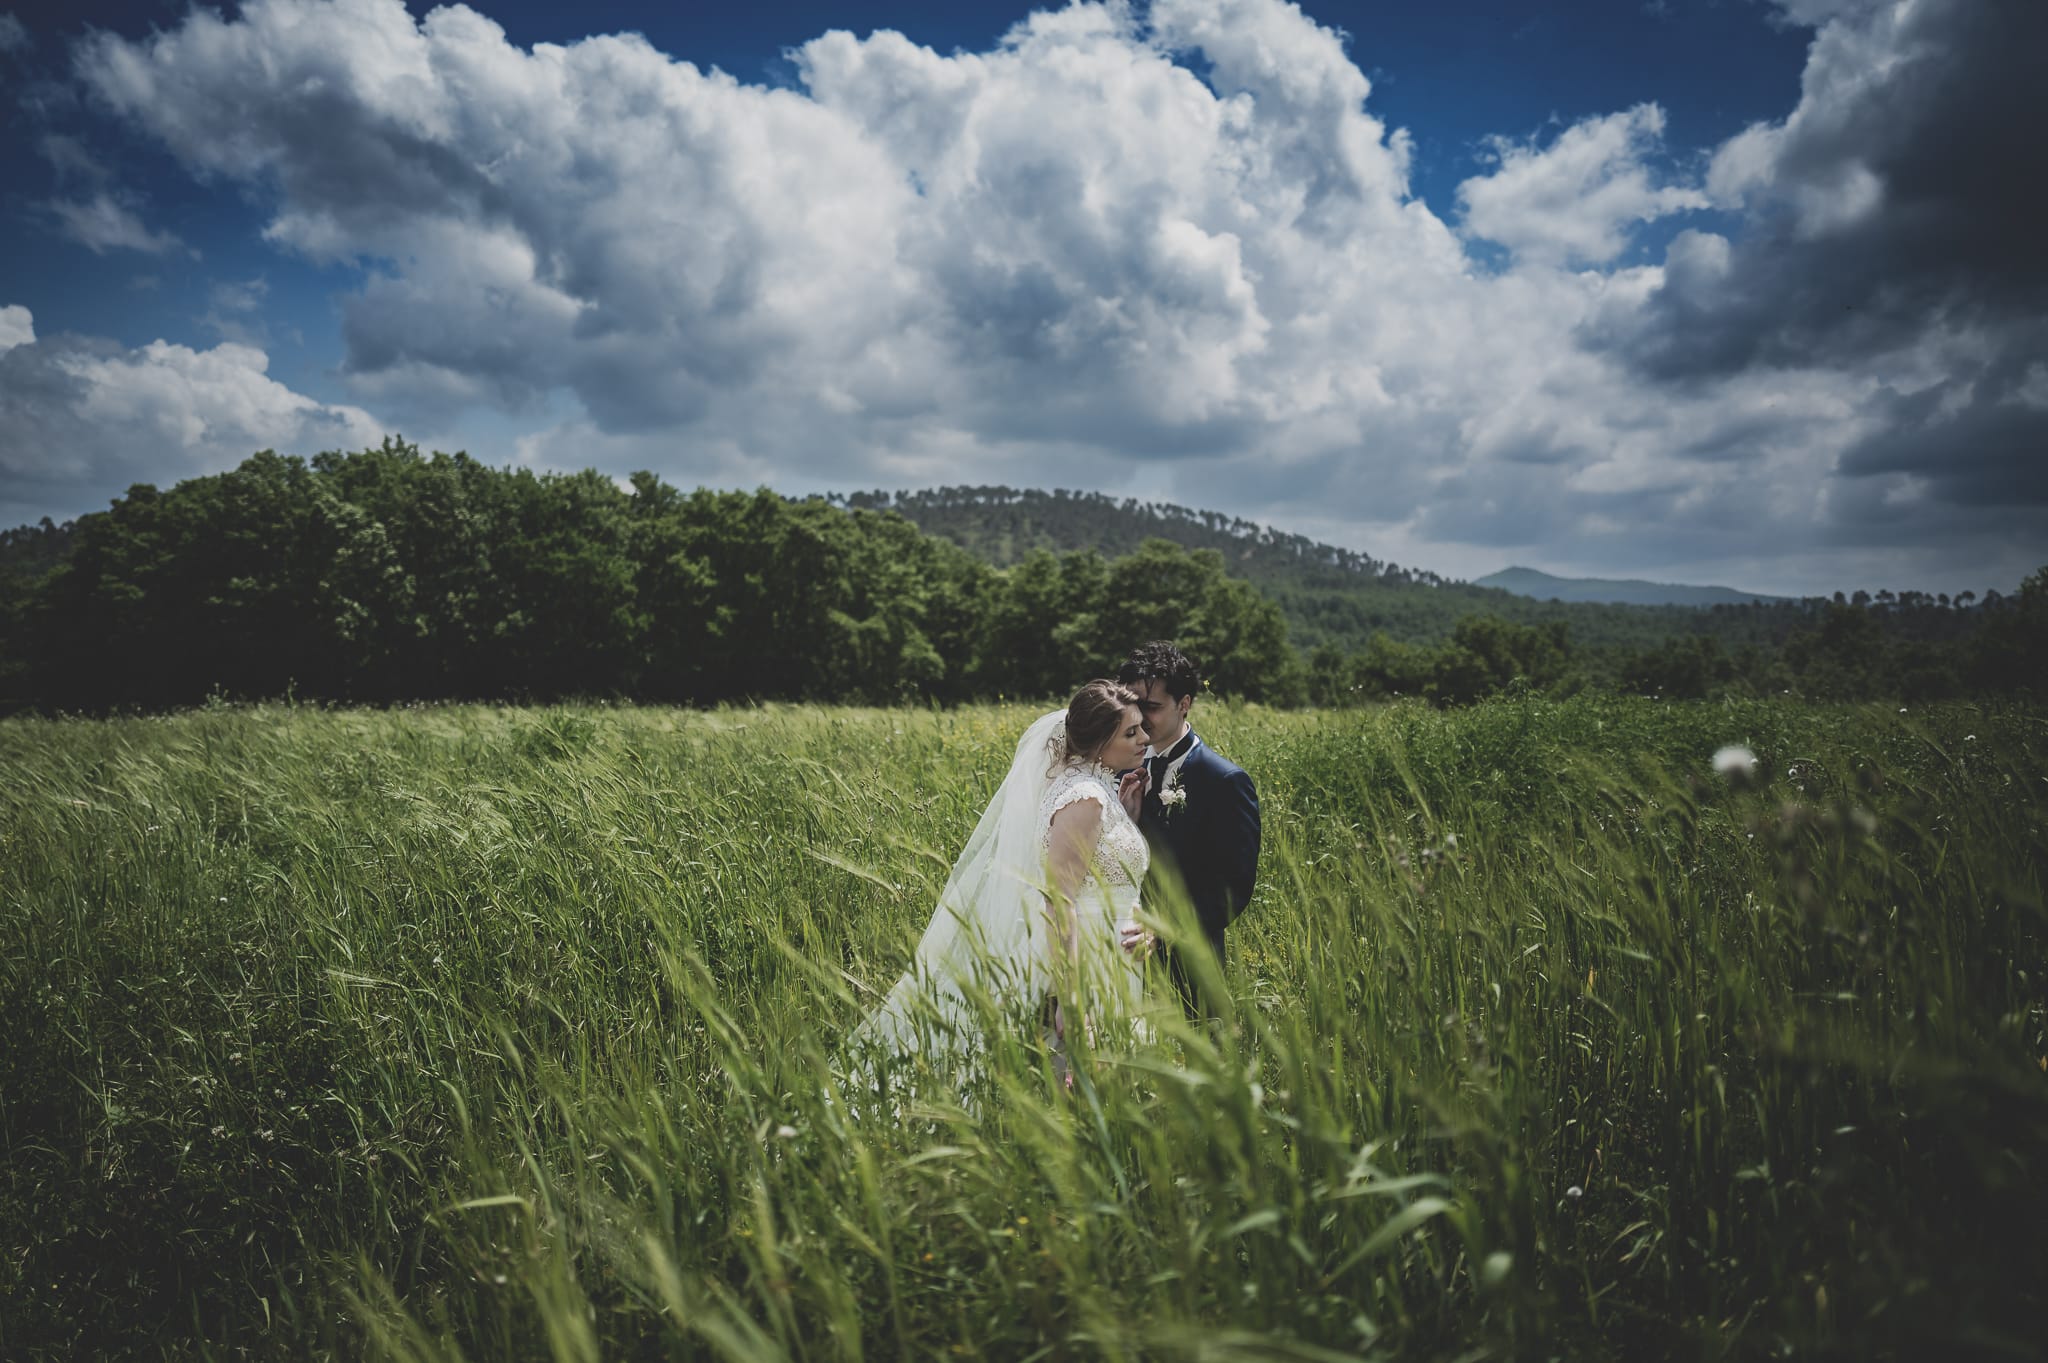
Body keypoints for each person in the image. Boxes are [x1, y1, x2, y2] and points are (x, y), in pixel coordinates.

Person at [853, 680, 1152, 1073]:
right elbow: (1059, 899)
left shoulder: (1095, 789)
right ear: (1098, 742)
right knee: (1091, 1082)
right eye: (1130, 732)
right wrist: (1072, 1001)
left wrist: (1126, 818)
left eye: (1142, 727)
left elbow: (1098, 869)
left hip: (1115, 951)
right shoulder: (1084, 798)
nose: (1144, 738)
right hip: (1093, 959)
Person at [1115, 641, 1261, 1019]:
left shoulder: (1223, 780)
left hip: (1189, 970)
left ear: (1184, 704)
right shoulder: (1120, 767)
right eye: (1132, 704)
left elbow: (1232, 889)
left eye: (1151, 706)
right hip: (1121, 960)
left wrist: (1162, 932)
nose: (1139, 716)